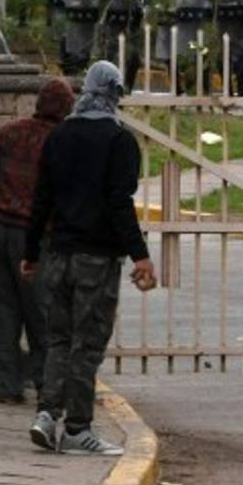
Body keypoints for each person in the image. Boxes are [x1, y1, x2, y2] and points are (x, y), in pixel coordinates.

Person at [23, 61, 157, 456]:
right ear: (114, 92)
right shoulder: (119, 140)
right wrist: (140, 255)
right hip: (96, 258)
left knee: (58, 339)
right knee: (87, 343)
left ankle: (47, 413)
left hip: (58, 255)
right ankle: (77, 428)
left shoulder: (59, 136)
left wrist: (30, 252)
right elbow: (119, 201)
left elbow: (41, 198)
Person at [0, 78, 76, 406]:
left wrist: (6, 187)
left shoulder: (10, 131)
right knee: (40, 309)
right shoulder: (62, 140)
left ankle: (8, 386)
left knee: (3, 309)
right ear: (66, 108)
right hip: (34, 233)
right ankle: (45, 384)